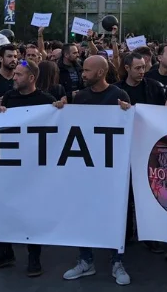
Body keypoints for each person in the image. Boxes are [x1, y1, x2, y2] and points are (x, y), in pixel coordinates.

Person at [56, 55, 132, 286]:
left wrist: (128, 112)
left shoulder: (119, 96)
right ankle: (85, 260)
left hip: (111, 169)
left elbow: (128, 127)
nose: (83, 74)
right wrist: (59, 108)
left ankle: (116, 261)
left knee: (113, 214)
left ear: (100, 73)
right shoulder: (80, 97)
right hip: (85, 167)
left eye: (87, 70)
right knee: (83, 213)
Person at [0, 60, 56, 277]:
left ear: (32, 78)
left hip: (34, 169)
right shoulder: (9, 98)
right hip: (9, 165)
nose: (14, 77)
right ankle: (5, 251)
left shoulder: (45, 101)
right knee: (4, 208)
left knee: (31, 211)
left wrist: (59, 109)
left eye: (19, 75)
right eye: (14, 74)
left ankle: (34, 256)